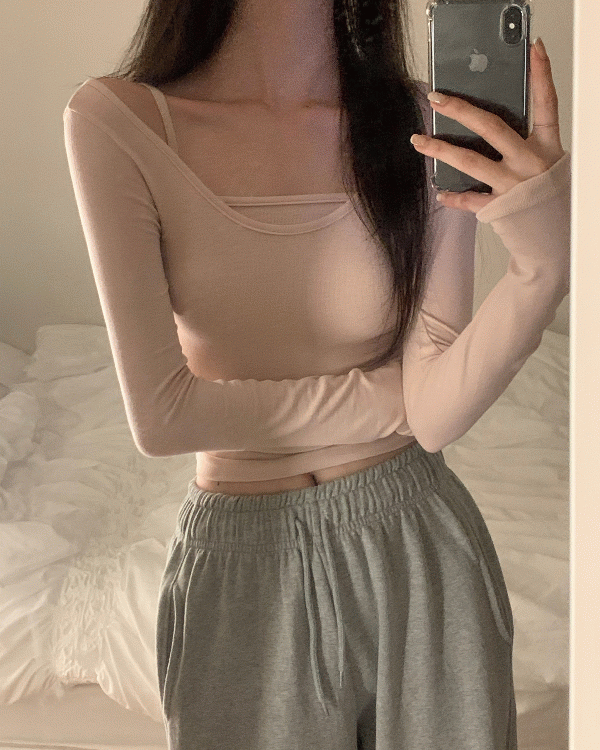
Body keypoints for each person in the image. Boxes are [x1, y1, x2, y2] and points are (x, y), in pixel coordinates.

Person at [62, 0, 570, 747]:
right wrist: (397, 399)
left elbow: (437, 414)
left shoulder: (422, 119)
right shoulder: (118, 122)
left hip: (421, 551)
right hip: (244, 571)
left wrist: (545, 268)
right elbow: (165, 417)